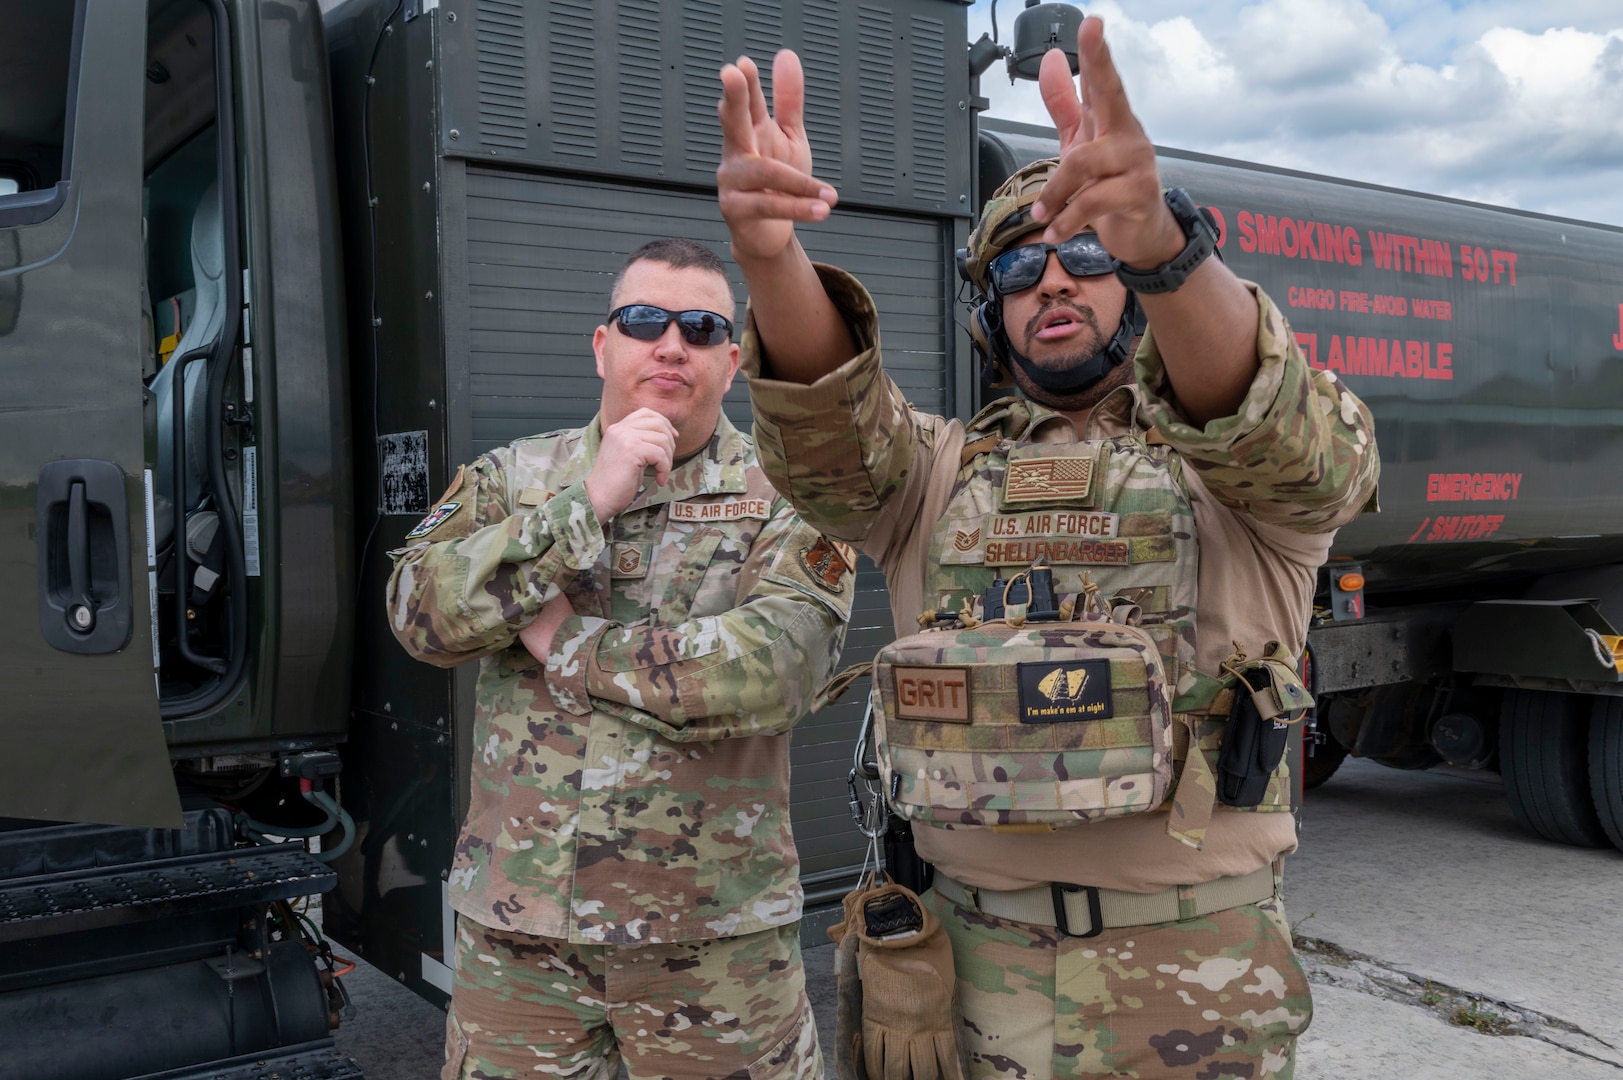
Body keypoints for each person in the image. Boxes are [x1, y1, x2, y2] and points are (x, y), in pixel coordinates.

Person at [715, 18, 1380, 1080]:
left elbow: (1274, 425)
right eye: (1021, 269)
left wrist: (1163, 245)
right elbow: (833, 430)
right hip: (971, 973)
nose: (1054, 283)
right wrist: (768, 254)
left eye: (1086, 256)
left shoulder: (1242, 479)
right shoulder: (934, 478)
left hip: (1194, 975)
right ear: (990, 309)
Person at [386, 238, 853, 1080]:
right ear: (605, 344)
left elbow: (779, 668)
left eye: (701, 327)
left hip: (714, 947)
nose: (670, 344)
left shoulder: (788, 495)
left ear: (733, 359)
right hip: (519, 940)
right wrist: (580, 508)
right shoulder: (512, 479)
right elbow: (419, 615)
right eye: (643, 320)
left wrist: (567, 643)